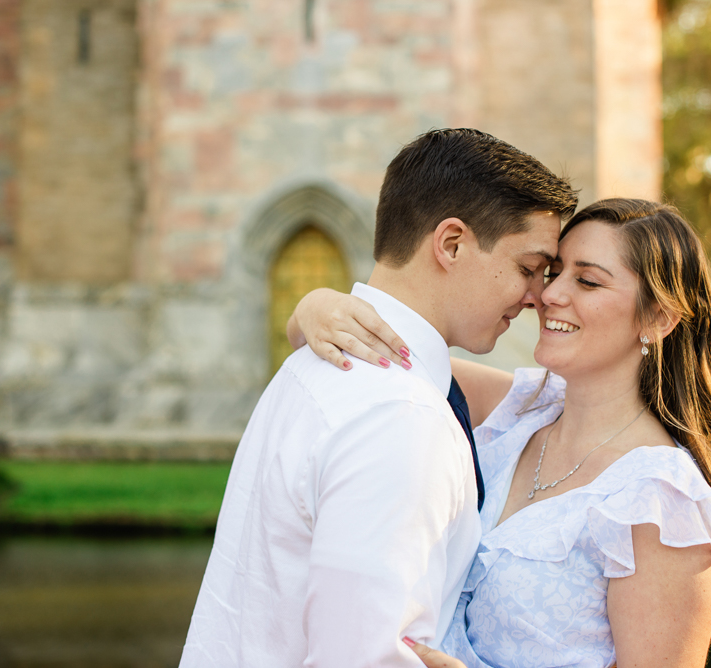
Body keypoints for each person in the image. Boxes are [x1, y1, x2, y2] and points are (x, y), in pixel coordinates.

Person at [291, 198, 711, 668]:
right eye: (553, 273)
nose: (548, 295)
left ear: (659, 318)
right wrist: (314, 306)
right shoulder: (517, 410)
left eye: (588, 282)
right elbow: (376, 350)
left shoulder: (661, 502)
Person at [178, 128, 578, 667]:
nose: (538, 297)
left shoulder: (309, 366)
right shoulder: (404, 419)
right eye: (529, 268)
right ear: (452, 244)